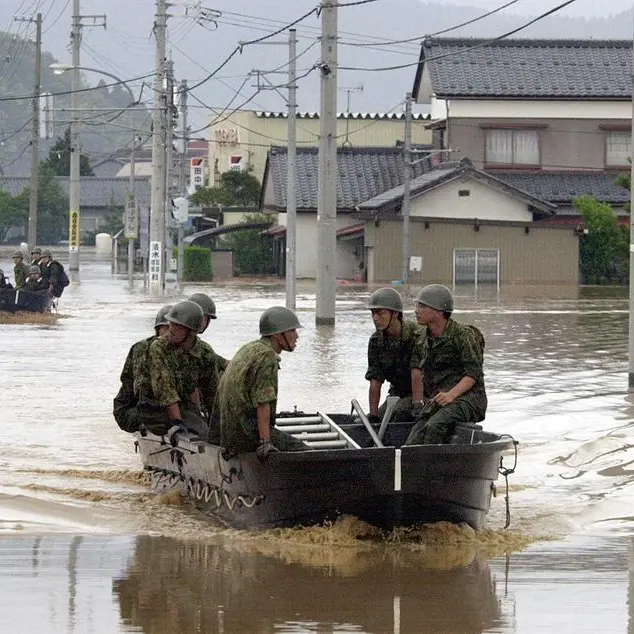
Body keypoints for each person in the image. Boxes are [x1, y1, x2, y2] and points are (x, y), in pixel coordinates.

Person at [218, 306, 309, 462]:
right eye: (292, 331)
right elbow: (263, 403)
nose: (296, 336)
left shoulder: (250, 348)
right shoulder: (267, 356)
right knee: (304, 452)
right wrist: (265, 442)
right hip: (246, 432)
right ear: (277, 336)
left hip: (229, 432)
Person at [405, 284, 487, 446]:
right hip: (442, 399)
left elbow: (473, 374)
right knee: (416, 431)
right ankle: (410, 466)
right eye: (417, 305)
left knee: (436, 426)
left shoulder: (464, 335)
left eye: (422, 306)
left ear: (438, 311)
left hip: (468, 399)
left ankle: (430, 467)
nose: (416, 310)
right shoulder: (423, 338)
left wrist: (451, 395)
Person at [142, 300, 211, 440]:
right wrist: (178, 423)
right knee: (198, 433)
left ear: (191, 331)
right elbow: (165, 391)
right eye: (170, 324)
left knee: (210, 432)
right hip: (154, 407)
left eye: (176, 326)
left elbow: (212, 391)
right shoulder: (159, 347)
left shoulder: (205, 352)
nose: (170, 329)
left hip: (184, 406)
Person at [365, 287, 424, 426]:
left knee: (398, 412)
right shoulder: (376, 341)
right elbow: (375, 379)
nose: (375, 318)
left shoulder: (417, 335)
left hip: (424, 394)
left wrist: (417, 405)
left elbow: (417, 373)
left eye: (380, 313)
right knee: (377, 422)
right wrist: (373, 415)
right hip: (398, 394)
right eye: (373, 313)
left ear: (395, 314)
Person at [113, 304, 172, 433]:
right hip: (140, 409)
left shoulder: (185, 351)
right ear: (158, 330)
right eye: (165, 328)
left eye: (172, 329)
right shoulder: (140, 349)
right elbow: (129, 385)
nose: (168, 334)